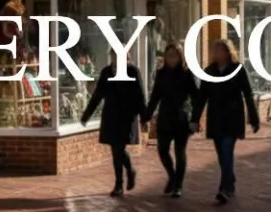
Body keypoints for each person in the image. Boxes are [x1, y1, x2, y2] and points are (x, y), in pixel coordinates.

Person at [190, 40, 260, 204]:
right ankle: (230, 178)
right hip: (215, 117)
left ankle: (225, 188)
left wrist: (254, 118)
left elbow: (248, 94)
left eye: (221, 51)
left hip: (233, 116)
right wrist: (195, 119)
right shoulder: (210, 71)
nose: (217, 54)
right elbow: (202, 97)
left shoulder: (238, 70)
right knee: (221, 153)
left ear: (229, 52)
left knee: (227, 149)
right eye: (215, 51)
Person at [81, 52, 146, 197]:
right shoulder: (106, 72)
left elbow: (140, 95)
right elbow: (97, 95)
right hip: (111, 115)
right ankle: (126, 174)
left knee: (119, 148)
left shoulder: (132, 71)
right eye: (114, 56)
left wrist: (144, 117)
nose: (116, 59)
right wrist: (87, 115)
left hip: (127, 116)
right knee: (116, 149)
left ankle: (120, 182)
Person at [145, 44, 197, 198]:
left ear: (180, 56)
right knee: (162, 150)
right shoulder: (161, 74)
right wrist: (146, 115)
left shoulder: (187, 74)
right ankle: (172, 176)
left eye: (174, 55)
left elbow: (195, 96)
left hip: (181, 118)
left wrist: (194, 119)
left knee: (180, 152)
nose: (171, 58)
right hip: (165, 117)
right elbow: (155, 96)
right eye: (168, 55)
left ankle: (178, 186)